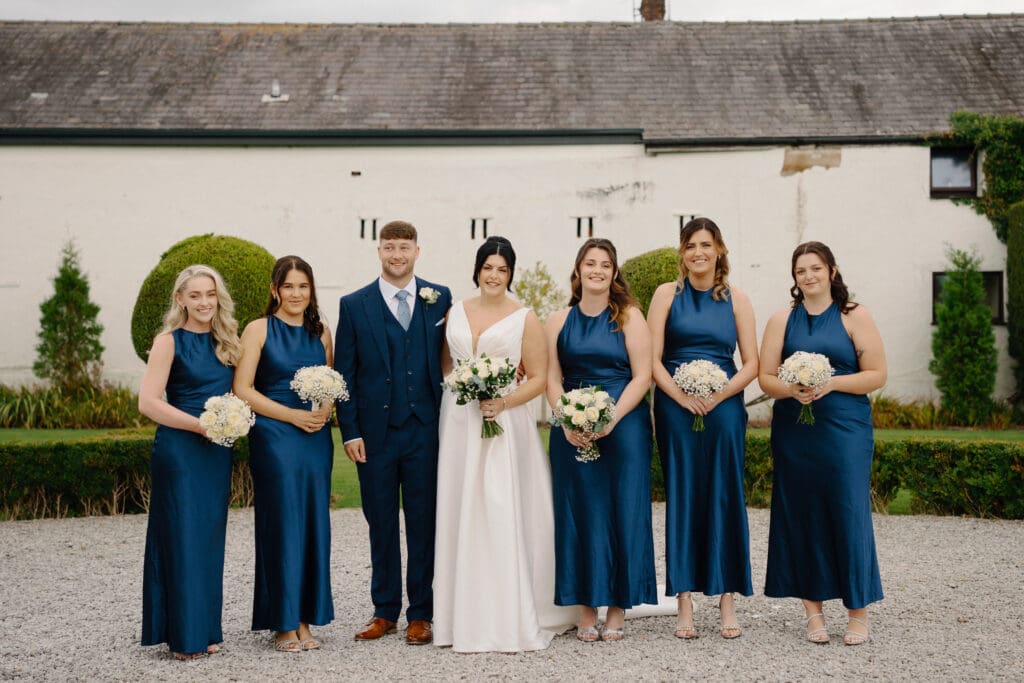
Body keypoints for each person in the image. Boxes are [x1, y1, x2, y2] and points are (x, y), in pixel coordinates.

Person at [433, 236, 576, 652]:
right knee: (461, 507)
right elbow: (447, 361)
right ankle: (459, 614)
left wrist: (502, 400)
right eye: (487, 267)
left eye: (502, 269)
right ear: (477, 270)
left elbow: (537, 375)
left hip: (505, 423)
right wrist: (459, 388)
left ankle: (509, 610)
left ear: (511, 274)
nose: (494, 275)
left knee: (500, 507)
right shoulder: (455, 310)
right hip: (460, 421)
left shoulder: (524, 318)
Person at [758, 241, 887, 646]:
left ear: (832, 271)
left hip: (844, 429)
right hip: (795, 430)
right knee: (801, 514)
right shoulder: (782, 319)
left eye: (816, 268)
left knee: (848, 511)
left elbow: (877, 374)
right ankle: (812, 613)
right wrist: (791, 388)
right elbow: (765, 377)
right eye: (801, 271)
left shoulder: (854, 316)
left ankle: (858, 612)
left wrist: (830, 382)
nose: (809, 276)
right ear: (794, 278)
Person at [334, 221, 452, 645]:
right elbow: (343, 374)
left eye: (404, 247)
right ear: (378, 250)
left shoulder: (440, 298)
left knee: (424, 523)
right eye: (389, 247)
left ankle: (422, 612)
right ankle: (385, 610)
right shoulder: (354, 305)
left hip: (426, 431)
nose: (397, 254)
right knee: (379, 523)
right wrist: (349, 432)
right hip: (375, 434)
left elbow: (455, 355)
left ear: (418, 250)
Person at [647, 218, 758, 640]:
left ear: (719, 250)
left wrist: (719, 395)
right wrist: (680, 396)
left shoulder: (737, 299)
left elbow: (752, 363)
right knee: (683, 495)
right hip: (677, 407)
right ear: (682, 252)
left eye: (706, 245)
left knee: (724, 494)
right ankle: (685, 600)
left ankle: (727, 598)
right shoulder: (665, 295)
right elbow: (653, 359)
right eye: (691, 245)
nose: (698, 252)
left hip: (725, 407)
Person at [545, 237, 657, 642]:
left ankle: (617, 606)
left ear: (613, 272)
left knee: (622, 510)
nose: (597, 270)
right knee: (580, 514)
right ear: (577, 271)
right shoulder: (558, 320)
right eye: (590, 263)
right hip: (571, 427)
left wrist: (610, 419)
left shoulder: (629, 316)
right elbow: (552, 379)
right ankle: (585, 605)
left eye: (605, 264)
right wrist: (566, 420)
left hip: (622, 424)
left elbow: (642, 375)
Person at [139, 264, 243, 660]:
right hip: (180, 452)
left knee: (208, 540)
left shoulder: (227, 340)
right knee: (182, 537)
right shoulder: (168, 342)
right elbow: (148, 402)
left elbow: (237, 393)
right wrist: (199, 425)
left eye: (210, 294)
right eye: (195, 295)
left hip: (216, 452)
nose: (204, 302)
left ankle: (206, 628)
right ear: (180, 299)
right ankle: (184, 637)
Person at [233, 256, 335, 653]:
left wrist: (324, 409)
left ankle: (305, 617)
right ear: (275, 289)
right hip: (275, 434)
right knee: (281, 523)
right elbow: (243, 387)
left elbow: (329, 380)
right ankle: (282, 621)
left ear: (311, 291)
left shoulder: (323, 332)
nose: (296, 294)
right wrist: (290, 414)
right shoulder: (258, 329)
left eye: (303, 287)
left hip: (314, 438)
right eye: (289, 286)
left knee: (312, 523)